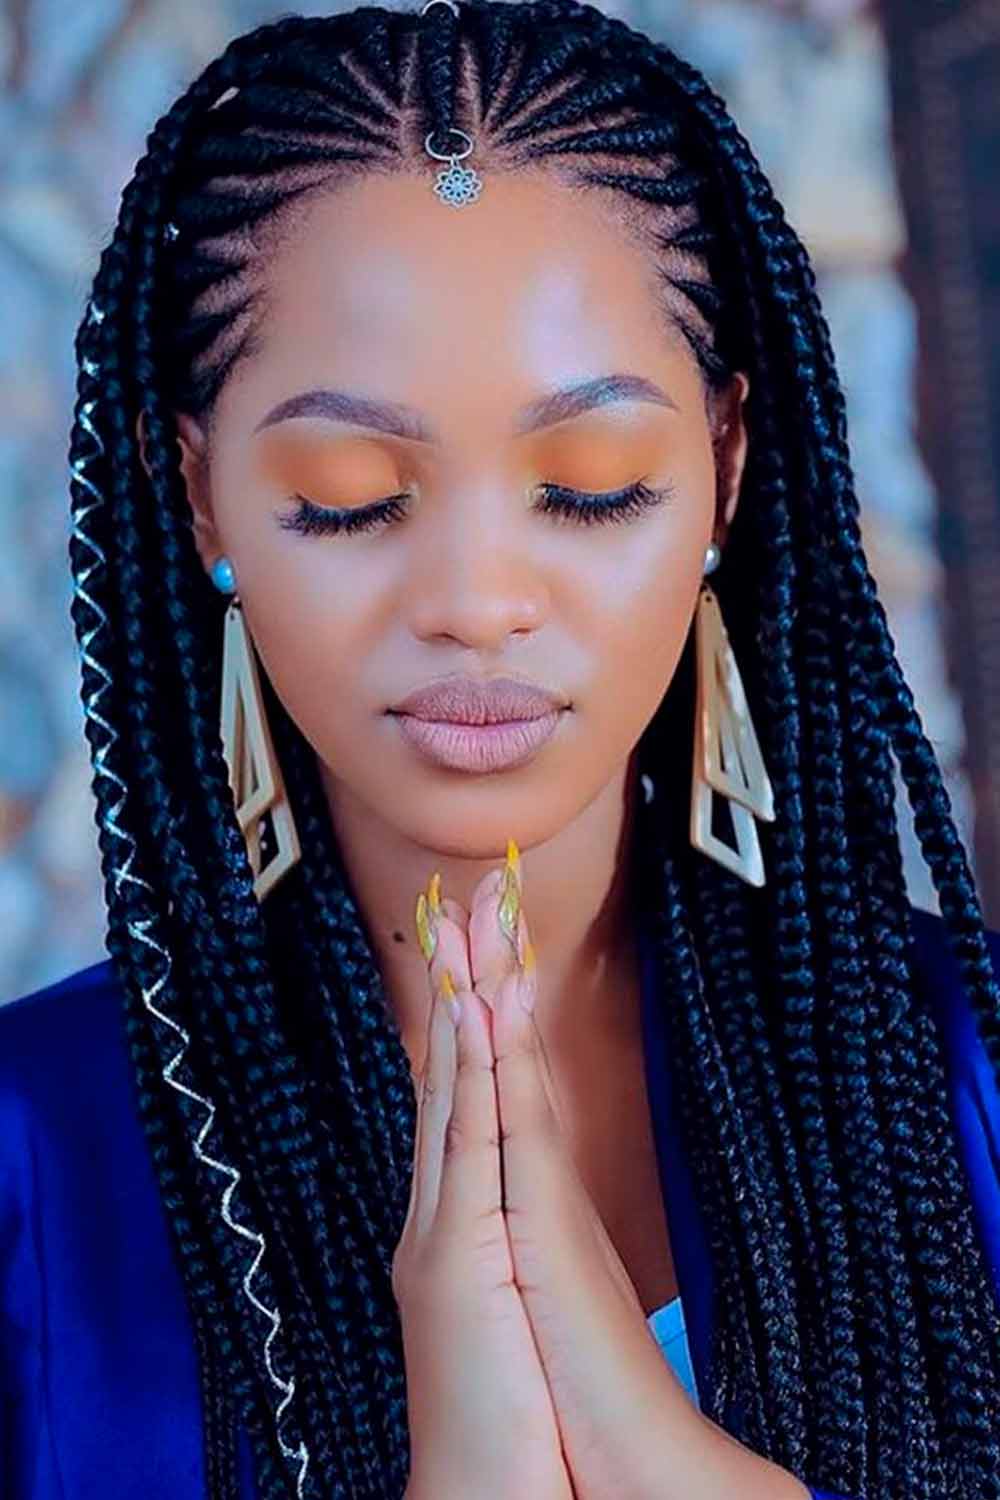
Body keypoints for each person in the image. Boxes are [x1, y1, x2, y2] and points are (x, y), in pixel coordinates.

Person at [1, 0, 998, 1495]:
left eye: (590, 487)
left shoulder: (966, 1082)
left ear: (723, 469)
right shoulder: (27, 1163)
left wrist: (658, 1447)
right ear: (201, 500)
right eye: (349, 494)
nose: (476, 605)